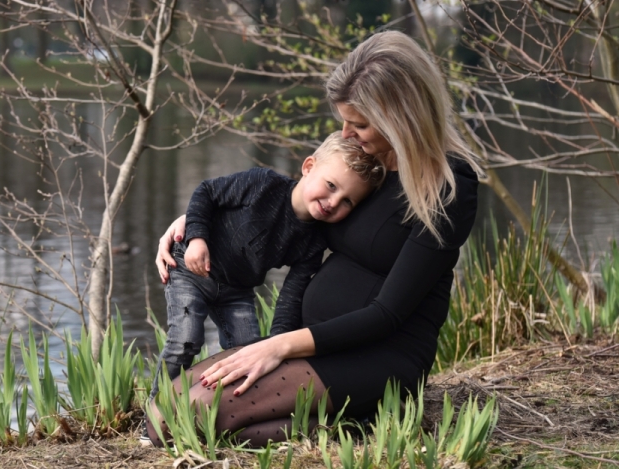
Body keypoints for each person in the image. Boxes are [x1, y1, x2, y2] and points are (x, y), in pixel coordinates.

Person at [148, 30, 481, 448]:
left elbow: (388, 314)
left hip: (378, 354)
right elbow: (296, 201)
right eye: (345, 120)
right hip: (312, 341)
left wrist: (278, 346)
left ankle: (365, 416)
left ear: (401, 116)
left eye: (359, 123)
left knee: (196, 415)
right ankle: (345, 421)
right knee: (164, 410)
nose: (346, 133)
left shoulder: (449, 188)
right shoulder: (371, 165)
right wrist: (198, 224)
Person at [151, 132, 385, 400]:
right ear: (309, 167)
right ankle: (157, 409)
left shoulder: (313, 242)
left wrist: (278, 343)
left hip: (236, 292)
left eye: (347, 201)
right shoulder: (263, 184)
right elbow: (207, 192)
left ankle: (215, 409)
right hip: (190, 269)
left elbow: (291, 294)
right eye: (331, 185)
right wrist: (196, 238)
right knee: (186, 340)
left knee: (246, 352)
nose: (333, 202)